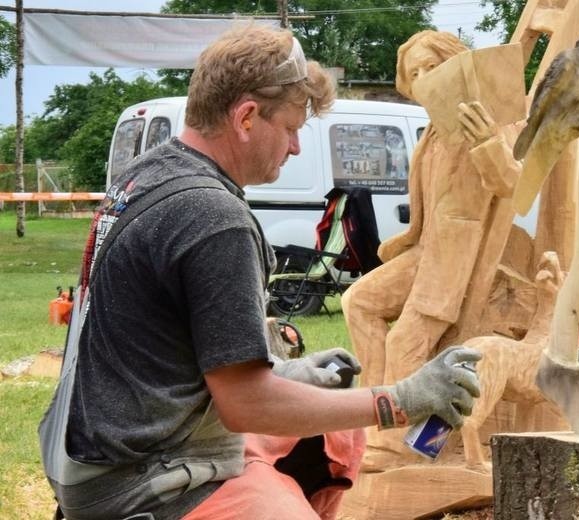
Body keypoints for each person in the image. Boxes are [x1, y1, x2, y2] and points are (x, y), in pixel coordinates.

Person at [39, 24, 481, 520]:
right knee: (315, 454)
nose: (294, 147)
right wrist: (398, 400)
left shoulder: (150, 174)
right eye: (292, 128)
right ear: (247, 116)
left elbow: (159, 347)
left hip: (107, 446)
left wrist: (289, 372)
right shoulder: (213, 218)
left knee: (338, 429)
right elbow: (246, 406)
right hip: (140, 481)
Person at [341, 30, 523, 465]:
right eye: (415, 74)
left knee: (407, 337)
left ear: (455, 65)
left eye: (431, 67)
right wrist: (405, 240)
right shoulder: (431, 133)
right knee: (357, 301)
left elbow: (511, 184)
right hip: (423, 249)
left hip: (456, 255)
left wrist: (486, 141)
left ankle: (394, 438)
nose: (423, 80)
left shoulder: (492, 118)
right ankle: (377, 408)